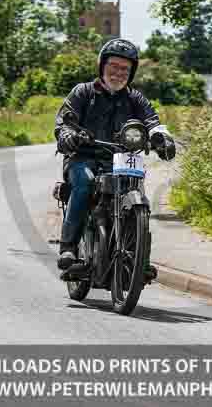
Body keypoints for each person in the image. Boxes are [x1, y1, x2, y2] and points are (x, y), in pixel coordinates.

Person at [53, 38, 176, 276]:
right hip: (82, 157)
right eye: (114, 66)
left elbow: (152, 122)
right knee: (85, 183)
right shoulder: (83, 92)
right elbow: (65, 122)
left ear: (131, 73)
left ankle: (139, 256)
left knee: (138, 195)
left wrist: (162, 138)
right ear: (102, 66)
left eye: (124, 69)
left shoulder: (136, 99)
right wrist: (68, 135)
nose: (118, 73)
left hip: (120, 161)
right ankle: (68, 247)